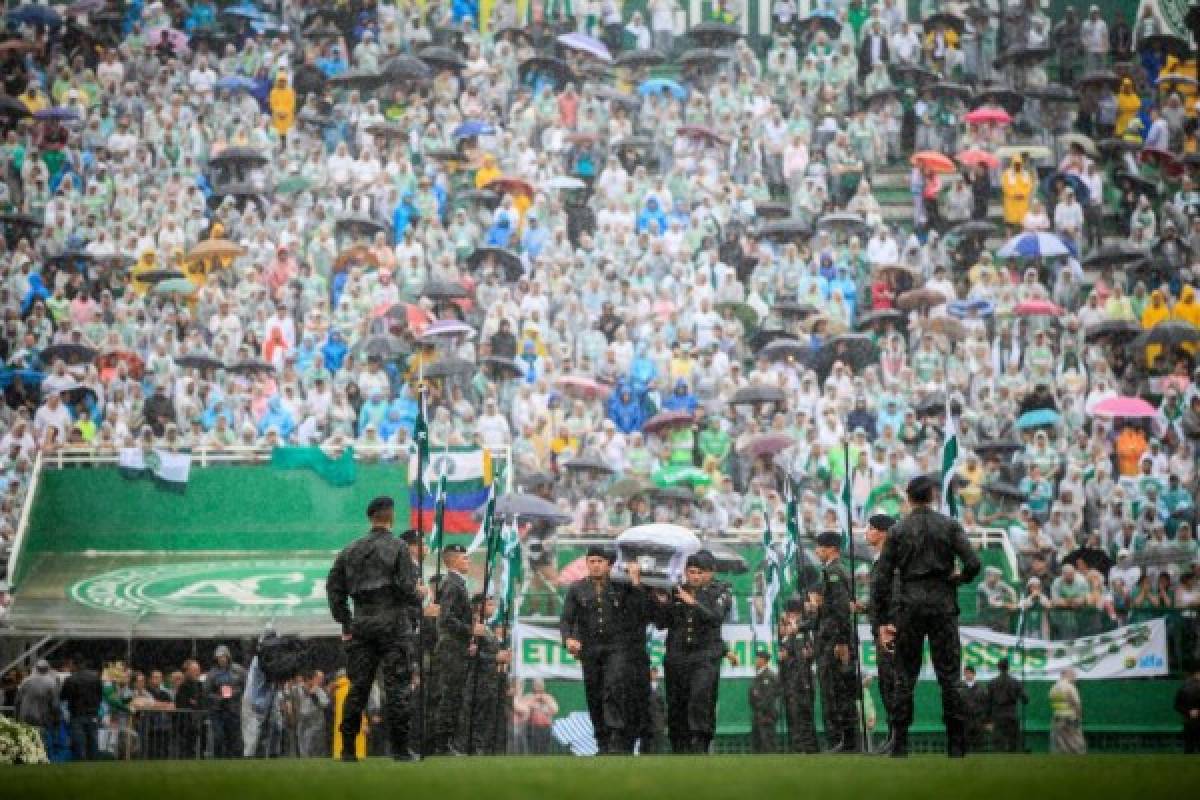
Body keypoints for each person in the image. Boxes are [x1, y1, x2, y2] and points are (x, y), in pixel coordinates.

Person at [872, 475, 982, 757]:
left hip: (909, 605)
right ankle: (956, 744)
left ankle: (899, 743)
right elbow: (973, 563)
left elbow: (882, 577)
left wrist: (883, 621)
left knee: (904, 675)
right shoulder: (949, 526)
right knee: (949, 675)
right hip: (942, 602)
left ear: (908, 498)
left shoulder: (897, 531)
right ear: (933, 495)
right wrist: (957, 578)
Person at [326, 495, 425, 762]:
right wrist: (419, 595)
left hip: (362, 622)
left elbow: (334, 588)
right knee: (398, 687)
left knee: (358, 687)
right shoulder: (399, 547)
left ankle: (348, 749)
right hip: (393, 623)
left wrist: (345, 620)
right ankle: (400, 749)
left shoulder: (350, 550)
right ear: (390, 516)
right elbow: (406, 588)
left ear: (370, 517)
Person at [559, 546, 650, 754]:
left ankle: (616, 738)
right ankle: (601, 741)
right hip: (590, 650)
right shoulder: (577, 589)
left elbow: (641, 611)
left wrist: (636, 583)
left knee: (613, 689)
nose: (595, 565)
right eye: (591, 561)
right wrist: (568, 639)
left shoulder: (622, 585)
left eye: (600, 561)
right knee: (594, 694)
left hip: (617, 648)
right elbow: (566, 619)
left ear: (609, 564)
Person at [653, 549, 732, 754]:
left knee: (701, 697)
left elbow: (716, 617)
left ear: (709, 573)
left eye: (699, 572)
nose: (695, 577)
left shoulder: (720, 591)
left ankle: (700, 742)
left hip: (705, 655)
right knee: (677, 701)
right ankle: (679, 745)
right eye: (692, 572)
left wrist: (693, 603)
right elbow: (661, 624)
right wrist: (661, 604)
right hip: (677, 656)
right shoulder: (675, 590)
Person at [812, 530, 861, 753]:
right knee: (834, 690)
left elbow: (841, 609)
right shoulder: (830, 571)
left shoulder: (834, 572)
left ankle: (849, 741)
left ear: (832, 548)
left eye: (820, 547)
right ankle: (845, 740)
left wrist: (841, 642)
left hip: (834, 639)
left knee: (839, 690)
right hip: (830, 637)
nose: (817, 551)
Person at [428, 543, 477, 756]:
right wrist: (470, 629)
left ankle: (446, 742)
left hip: (456, 647)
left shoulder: (457, 584)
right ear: (453, 560)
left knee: (454, 696)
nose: (468, 561)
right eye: (464, 558)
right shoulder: (452, 585)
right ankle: (442, 744)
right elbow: (446, 618)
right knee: (450, 696)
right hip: (451, 648)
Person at [863, 513, 898, 752]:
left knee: (894, 683)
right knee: (886, 683)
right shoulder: (880, 560)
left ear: (883, 532)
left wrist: (889, 625)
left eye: (871, 528)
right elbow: (879, 596)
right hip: (880, 629)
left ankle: (898, 737)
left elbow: (895, 594)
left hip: (890, 631)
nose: (867, 532)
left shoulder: (891, 560)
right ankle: (893, 735)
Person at [778, 595, 820, 753]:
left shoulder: (805, 631)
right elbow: (781, 654)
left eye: (795, 614)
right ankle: (796, 748)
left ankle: (810, 748)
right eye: (790, 614)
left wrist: (810, 654)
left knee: (805, 714)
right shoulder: (783, 634)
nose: (792, 617)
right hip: (789, 681)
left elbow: (813, 651)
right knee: (793, 715)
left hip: (804, 680)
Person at [59, 655, 102, 761]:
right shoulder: (95, 677)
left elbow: (63, 696)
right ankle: (94, 762)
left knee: (79, 742)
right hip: (92, 713)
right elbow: (100, 695)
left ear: (73, 664)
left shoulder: (71, 679)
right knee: (93, 741)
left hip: (77, 713)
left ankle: (81, 761)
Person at [206, 645, 246, 758]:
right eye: (219, 657)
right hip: (218, 710)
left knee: (234, 738)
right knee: (218, 737)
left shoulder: (238, 670)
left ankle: (233, 760)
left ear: (228, 657)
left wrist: (235, 693)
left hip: (233, 709)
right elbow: (206, 692)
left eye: (224, 656)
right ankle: (218, 758)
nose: (222, 659)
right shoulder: (212, 674)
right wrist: (218, 697)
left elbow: (246, 687)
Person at [14, 659, 59, 753]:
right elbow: (55, 705)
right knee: (41, 744)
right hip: (41, 718)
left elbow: (17, 701)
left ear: (36, 668)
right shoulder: (51, 682)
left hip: (24, 717)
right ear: (47, 669)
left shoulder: (25, 681)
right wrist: (56, 720)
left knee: (26, 744)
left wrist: (16, 718)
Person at [986, 657, 1028, 753]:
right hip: (1011, 714)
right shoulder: (1015, 682)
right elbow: (1025, 699)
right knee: (1013, 741)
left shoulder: (992, 683)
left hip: (997, 715)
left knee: (998, 743)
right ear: (1008, 667)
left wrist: (987, 719)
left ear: (998, 667)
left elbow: (988, 702)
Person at [748, 648, 781, 753]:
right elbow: (753, 695)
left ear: (763, 660)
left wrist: (761, 711)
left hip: (767, 715)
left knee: (767, 744)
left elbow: (769, 697)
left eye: (758, 658)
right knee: (757, 744)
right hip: (758, 714)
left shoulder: (769, 676)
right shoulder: (758, 675)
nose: (756, 661)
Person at [1048, 668, 1086, 754]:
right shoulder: (1070, 687)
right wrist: (1079, 715)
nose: (1075, 677)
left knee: (1060, 742)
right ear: (1066, 674)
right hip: (1070, 717)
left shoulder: (1053, 687)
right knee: (1076, 740)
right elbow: (1076, 703)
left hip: (1057, 716)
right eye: (1073, 674)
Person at [961, 665, 989, 753]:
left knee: (979, 744)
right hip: (965, 720)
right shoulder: (960, 688)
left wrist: (986, 721)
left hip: (978, 719)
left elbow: (986, 705)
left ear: (974, 674)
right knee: (965, 743)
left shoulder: (982, 689)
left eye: (969, 673)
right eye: (966, 673)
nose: (967, 675)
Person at [1175, 668, 1200, 754]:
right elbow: (1177, 705)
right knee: (1189, 745)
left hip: (1189, 721)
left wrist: (1189, 712)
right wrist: (1189, 712)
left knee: (1189, 747)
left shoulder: (1184, 687)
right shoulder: (1185, 688)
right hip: (1190, 721)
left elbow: (1177, 705)